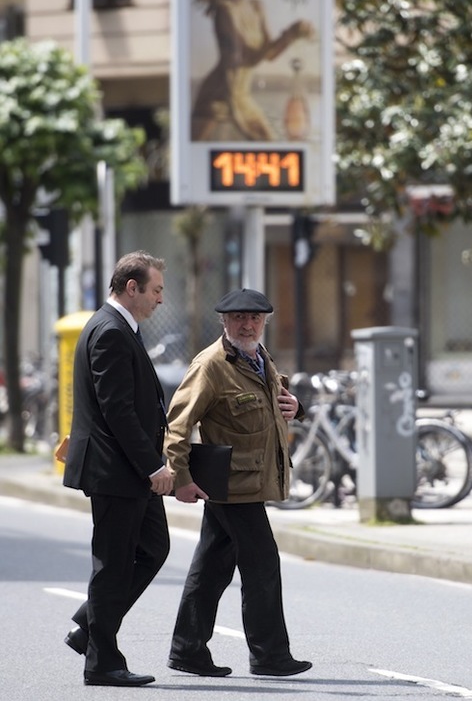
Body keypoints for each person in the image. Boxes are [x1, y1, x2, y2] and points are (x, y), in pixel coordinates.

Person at [164, 287, 312, 678]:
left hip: (249, 481)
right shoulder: (211, 364)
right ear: (224, 322)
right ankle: (269, 656)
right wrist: (180, 477)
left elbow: (272, 408)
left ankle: (187, 648)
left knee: (212, 565)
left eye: (255, 318)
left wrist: (297, 408)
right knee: (263, 563)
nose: (248, 325)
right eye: (239, 318)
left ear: (265, 321)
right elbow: (177, 425)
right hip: (231, 486)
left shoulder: (259, 357)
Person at [63, 251, 175, 687]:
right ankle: (102, 662)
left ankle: (89, 625)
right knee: (112, 563)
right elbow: (118, 411)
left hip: (125, 470)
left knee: (154, 548)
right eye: (156, 290)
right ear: (133, 287)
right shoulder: (110, 330)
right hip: (118, 470)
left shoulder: (119, 327)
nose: (160, 299)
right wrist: (153, 466)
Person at [190, 0, 315, 142]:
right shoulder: (224, 10)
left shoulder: (256, 6)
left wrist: (291, 35)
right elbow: (238, 59)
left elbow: (269, 54)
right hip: (220, 93)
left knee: (269, 146)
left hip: (242, 95)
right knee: (195, 149)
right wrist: (288, 34)